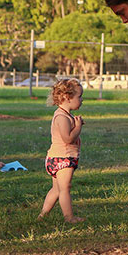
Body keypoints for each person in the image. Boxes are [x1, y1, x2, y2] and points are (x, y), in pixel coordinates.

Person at [39, 78, 85, 223]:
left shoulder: (64, 115)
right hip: (63, 159)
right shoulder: (62, 117)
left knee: (57, 190)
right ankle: (69, 217)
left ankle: (42, 215)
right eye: (79, 96)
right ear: (67, 97)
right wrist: (78, 127)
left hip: (56, 158)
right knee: (65, 188)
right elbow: (67, 138)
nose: (82, 100)